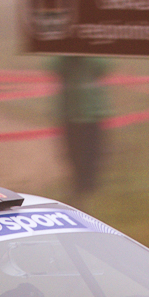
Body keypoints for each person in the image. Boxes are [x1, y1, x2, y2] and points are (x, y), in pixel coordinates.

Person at [50, 53, 112, 197]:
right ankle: (80, 192)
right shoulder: (64, 59)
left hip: (91, 115)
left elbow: (104, 67)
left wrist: (85, 53)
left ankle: (89, 192)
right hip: (72, 116)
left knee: (92, 158)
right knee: (75, 159)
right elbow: (54, 67)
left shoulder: (92, 57)